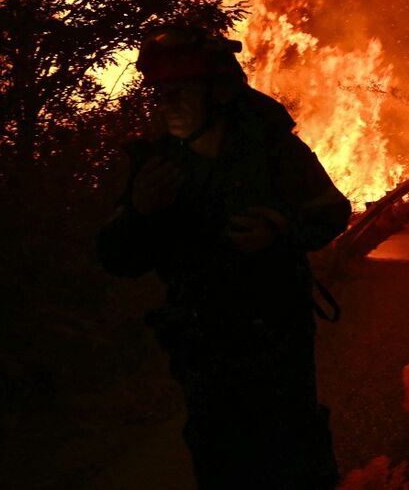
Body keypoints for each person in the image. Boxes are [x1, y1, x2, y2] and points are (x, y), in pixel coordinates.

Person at [97, 26, 352, 489]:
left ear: (219, 92)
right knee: (220, 457)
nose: (169, 103)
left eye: (182, 91)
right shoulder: (154, 164)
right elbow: (118, 258)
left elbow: (332, 211)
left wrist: (280, 231)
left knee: (294, 451)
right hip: (202, 342)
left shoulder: (271, 148)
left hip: (275, 333)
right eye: (162, 93)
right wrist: (140, 212)